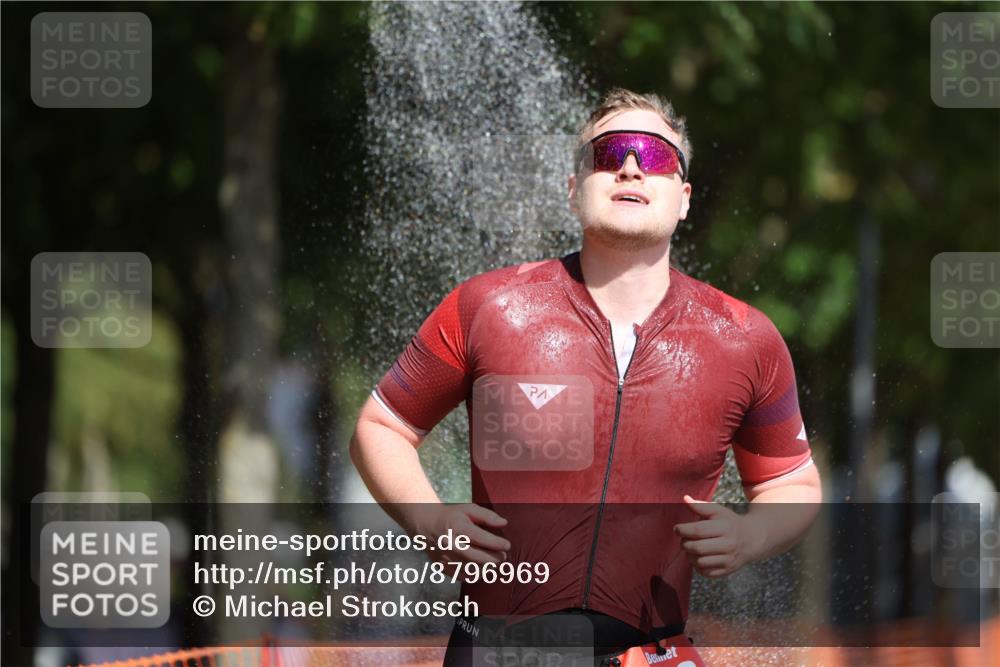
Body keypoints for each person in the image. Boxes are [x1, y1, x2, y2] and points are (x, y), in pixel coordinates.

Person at [350, 88, 823, 666]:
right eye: (609, 153)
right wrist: (431, 520)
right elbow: (380, 426)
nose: (630, 166)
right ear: (574, 190)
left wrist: (751, 537)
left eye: (655, 156)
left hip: (652, 655)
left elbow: (793, 485)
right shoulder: (489, 306)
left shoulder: (745, 337)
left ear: (684, 198)